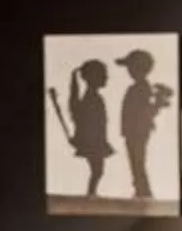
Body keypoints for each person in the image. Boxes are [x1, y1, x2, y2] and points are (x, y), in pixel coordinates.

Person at [116, 49, 175, 202]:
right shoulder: (138, 88)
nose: (129, 71)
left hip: (138, 131)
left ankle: (143, 191)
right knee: (135, 160)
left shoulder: (141, 88)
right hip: (133, 131)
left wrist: (156, 105)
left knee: (138, 160)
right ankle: (140, 189)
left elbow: (146, 110)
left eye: (131, 67)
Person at [48, 58, 113, 197]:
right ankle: (91, 194)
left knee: (98, 171)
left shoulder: (93, 97)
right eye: (103, 75)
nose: (106, 78)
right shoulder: (91, 98)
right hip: (93, 141)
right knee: (98, 170)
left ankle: (92, 193)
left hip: (95, 140)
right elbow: (87, 121)